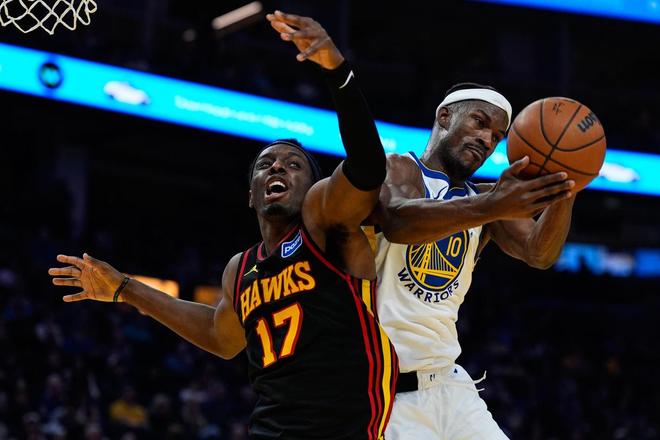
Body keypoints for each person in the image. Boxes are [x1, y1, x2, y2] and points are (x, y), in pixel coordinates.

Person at [49, 11, 397, 440]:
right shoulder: (241, 268)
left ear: (315, 189)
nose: (278, 168)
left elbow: (367, 168)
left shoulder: (327, 225)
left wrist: (337, 72)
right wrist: (126, 289)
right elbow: (221, 335)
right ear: (251, 194)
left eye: (293, 165)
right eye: (266, 165)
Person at [371, 83, 576, 439]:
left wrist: (567, 187)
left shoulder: (486, 201)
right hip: (388, 392)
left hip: (450, 385)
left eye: (497, 137)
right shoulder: (399, 169)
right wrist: (492, 205)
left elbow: (540, 253)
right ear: (445, 116)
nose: (486, 140)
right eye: (479, 123)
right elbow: (398, 222)